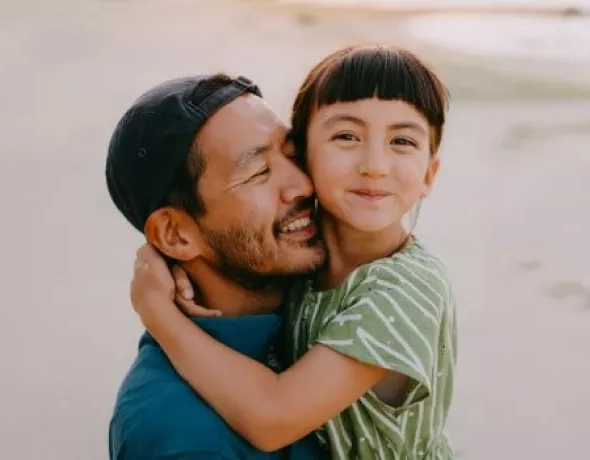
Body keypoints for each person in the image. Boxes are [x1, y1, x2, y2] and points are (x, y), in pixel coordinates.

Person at [130, 44, 457, 459]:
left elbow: (273, 417)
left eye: (403, 141)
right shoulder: (305, 256)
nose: (375, 165)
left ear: (429, 174)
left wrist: (158, 314)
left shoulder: (405, 292)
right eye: (346, 136)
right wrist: (163, 257)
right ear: (306, 154)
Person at [104, 73, 329, 459]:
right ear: (175, 234)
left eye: (293, 154)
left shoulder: (330, 307)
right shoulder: (181, 435)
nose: (303, 185)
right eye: (258, 173)